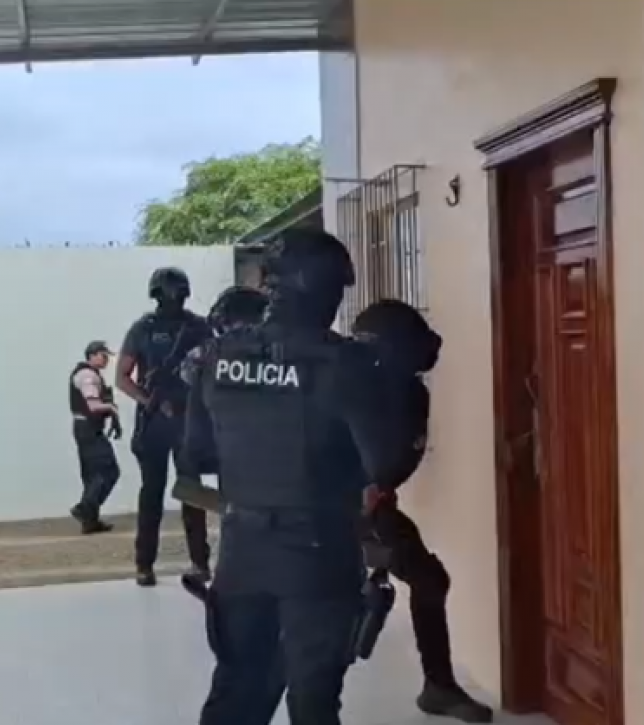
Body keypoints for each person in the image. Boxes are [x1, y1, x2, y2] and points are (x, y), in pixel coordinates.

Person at [181, 229, 411, 725]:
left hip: (242, 552)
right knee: (313, 701)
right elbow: (386, 463)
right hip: (318, 553)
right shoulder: (346, 364)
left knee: (237, 691)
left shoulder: (218, 357)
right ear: (322, 288)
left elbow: (197, 453)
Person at [352, 299, 494, 723]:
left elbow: (392, 458)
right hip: (337, 509)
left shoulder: (402, 390)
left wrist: (377, 490)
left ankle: (438, 687)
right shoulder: (353, 387)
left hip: (368, 507)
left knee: (428, 580)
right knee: (323, 605)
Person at [115, 267, 213, 587]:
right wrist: (150, 402)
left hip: (188, 419)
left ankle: (200, 562)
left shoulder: (198, 327)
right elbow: (122, 378)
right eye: (172, 292)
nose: (175, 298)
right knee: (152, 496)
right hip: (155, 422)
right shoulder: (143, 328)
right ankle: (144, 564)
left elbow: (214, 369)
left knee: (192, 494)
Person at [68, 340, 123, 535]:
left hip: (87, 428)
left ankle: (90, 520)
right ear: (92, 355)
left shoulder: (90, 374)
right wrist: (112, 409)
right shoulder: (87, 376)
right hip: (89, 428)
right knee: (107, 471)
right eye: (102, 355)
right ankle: (85, 508)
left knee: (93, 474)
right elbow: (93, 405)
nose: (106, 359)